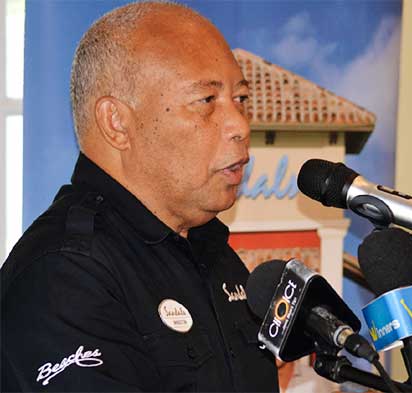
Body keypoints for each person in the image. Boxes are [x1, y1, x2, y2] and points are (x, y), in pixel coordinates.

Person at [0, 2, 278, 391]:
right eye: (206, 101)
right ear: (117, 123)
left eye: (241, 100)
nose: (239, 126)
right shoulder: (64, 276)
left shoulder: (214, 253)